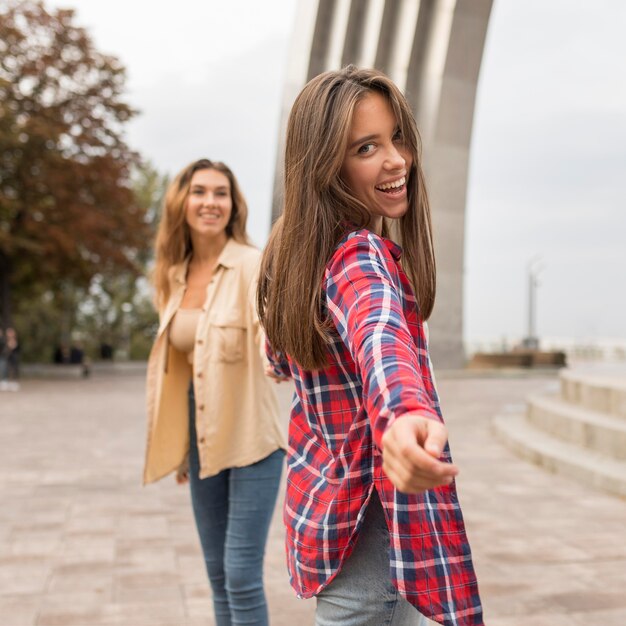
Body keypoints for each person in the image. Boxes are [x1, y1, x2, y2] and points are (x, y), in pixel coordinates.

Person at [257, 66, 483, 626]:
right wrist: (404, 416)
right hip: (371, 548)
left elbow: (279, 360)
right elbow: (380, 334)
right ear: (326, 164)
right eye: (366, 147)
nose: (397, 160)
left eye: (397, 137)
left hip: (333, 528)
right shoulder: (360, 256)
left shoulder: (293, 254)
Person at [144, 159, 287, 626]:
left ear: (233, 204)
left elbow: (269, 322)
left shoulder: (251, 263)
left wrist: (277, 345)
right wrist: (185, 446)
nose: (210, 202)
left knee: (241, 575)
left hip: (251, 442)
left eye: (221, 193)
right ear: (182, 202)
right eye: (200, 191)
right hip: (202, 442)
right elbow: (183, 369)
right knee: (216, 574)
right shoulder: (172, 275)